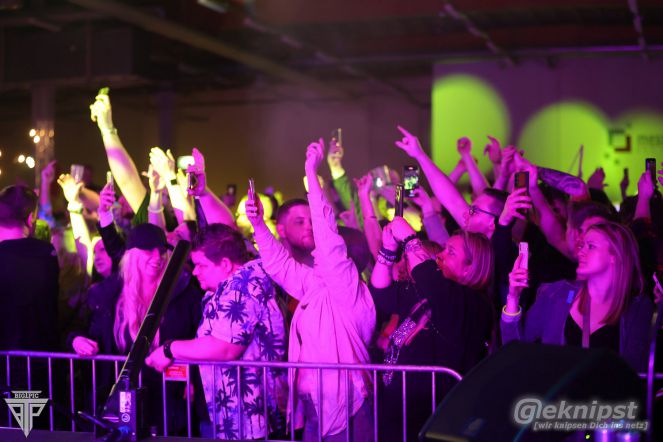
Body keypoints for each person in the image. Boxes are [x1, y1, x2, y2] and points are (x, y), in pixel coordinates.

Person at [245, 139, 376, 441]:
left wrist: (310, 173)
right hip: (316, 406)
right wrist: (258, 224)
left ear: (345, 259)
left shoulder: (348, 293)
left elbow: (329, 242)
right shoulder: (319, 288)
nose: (317, 248)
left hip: (348, 408)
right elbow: (280, 265)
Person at [146, 223, 287, 440]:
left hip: (252, 419)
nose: (194, 271)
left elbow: (223, 348)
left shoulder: (241, 287)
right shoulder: (229, 287)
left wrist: (169, 349)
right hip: (241, 417)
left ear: (225, 264)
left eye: (201, 265)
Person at [370, 217, 494, 441]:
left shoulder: (473, 304)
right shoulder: (428, 293)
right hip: (397, 412)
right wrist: (387, 251)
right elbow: (381, 293)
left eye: (451, 252)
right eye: (444, 249)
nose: (440, 255)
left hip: (430, 420)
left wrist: (410, 239)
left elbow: (430, 280)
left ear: (470, 268)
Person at [502, 221, 653, 371]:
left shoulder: (636, 307)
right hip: (558, 386)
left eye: (591, 246)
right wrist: (513, 298)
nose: (580, 252)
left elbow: (635, 370)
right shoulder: (556, 294)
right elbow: (515, 350)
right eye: (582, 246)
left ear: (615, 255)